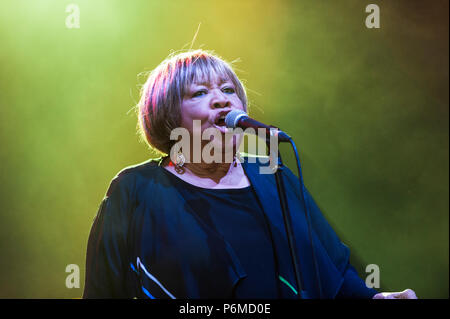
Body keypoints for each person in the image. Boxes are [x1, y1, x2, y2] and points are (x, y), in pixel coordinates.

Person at [83, 49, 417, 299]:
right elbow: (103, 290)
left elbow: (332, 268)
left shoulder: (273, 177)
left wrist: (375, 298)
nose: (221, 101)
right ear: (168, 117)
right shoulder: (136, 190)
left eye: (229, 90)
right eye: (200, 93)